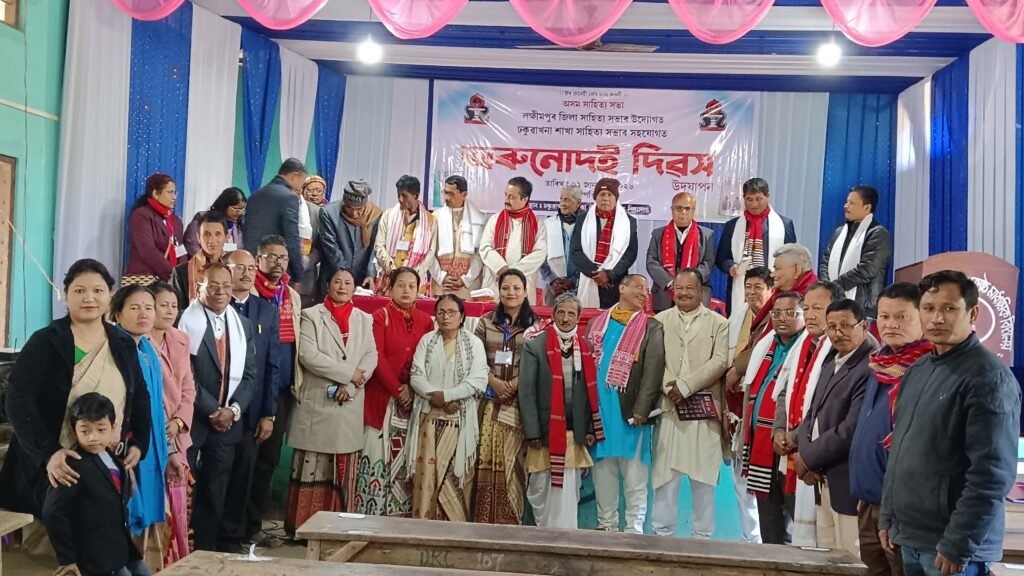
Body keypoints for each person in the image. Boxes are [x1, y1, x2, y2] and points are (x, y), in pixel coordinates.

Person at [880, 271, 1020, 576]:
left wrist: (959, 542)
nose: (937, 318)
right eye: (929, 308)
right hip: (911, 537)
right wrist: (889, 517)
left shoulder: (988, 377)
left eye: (949, 308)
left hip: (951, 548)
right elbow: (900, 450)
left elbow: (991, 474)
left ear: (972, 313)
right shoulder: (918, 370)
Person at [0, 259, 152, 516]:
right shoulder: (46, 341)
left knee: (99, 531)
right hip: (50, 464)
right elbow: (17, 400)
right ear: (66, 295)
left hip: (104, 462)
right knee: (49, 532)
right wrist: (49, 454)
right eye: (79, 290)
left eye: (98, 290)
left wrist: (139, 443)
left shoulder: (122, 343)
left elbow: (140, 396)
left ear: (110, 295)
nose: (89, 298)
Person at [286, 268, 378, 533]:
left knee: (342, 471)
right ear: (327, 285)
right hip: (318, 404)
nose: (342, 286)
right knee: (312, 466)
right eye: (337, 281)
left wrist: (350, 385)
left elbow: (371, 355)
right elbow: (308, 355)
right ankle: (303, 528)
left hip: (349, 402)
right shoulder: (311, 315)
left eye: (348, 282)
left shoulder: (364, 319)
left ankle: (336, 530)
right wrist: (349, 374)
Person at [851, 283, 932, 576]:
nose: (890, 324)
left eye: (902, 316)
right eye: (884, 317)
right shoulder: (880, 364)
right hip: (869, 499)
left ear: (924, 317)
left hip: (903, 508)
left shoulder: (928, 368)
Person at [177, 263, 257, 551]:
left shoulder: (243, 325)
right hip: (194, 421)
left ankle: (207, 552)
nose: (221, 291)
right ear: (200, 286)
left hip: (228, 425)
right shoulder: (184, 322)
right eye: (213, 285)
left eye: (226, 286)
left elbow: (250, 375)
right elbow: (185, 375)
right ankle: (180, 551)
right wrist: (213, 410)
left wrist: (233, 411)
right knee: (185, 491)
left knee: (215, 492)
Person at [790, 299, 877, 558]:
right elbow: (812, 413)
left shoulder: (871, 365)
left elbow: (851, 429)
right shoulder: (832, 359)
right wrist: (805, 454)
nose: (838, 333)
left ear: (864, 326)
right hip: (822, 477)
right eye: (832, 327)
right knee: (827, 558)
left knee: (850, 558)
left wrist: (807, 457)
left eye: (846, 326)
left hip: (848, 482)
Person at [649, 269, 729, 538]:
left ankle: (702, 543)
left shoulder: (719, 323)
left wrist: (686, 386)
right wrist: (668, 386)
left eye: (689, 288)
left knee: (703, 481)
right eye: (679, 288)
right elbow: (653, 361)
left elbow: (720, 361)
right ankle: (661, 540)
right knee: (665, 481)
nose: (683, 293)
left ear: (701, 291)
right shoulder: (659, 321)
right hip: (669, 410)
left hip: (703, 414)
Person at [586, 274, 664, 534]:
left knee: (635, 476)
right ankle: (606, 526)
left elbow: (653, 370)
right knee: (603, 472)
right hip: (600, 411)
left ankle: (634, 530)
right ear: (622, 288)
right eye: (639, 287)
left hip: (631, 413)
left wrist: (643, 408)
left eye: (647, 290)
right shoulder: (597, 324)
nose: (644, 293)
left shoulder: (651, 326)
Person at [42, 393, 152, 576]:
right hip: (96, 560)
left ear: (112, 428)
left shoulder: (115, 459)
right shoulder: (73, 466)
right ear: (74, 431)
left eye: (101, 429)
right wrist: (67, 558)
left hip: (121, 550)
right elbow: (52, 511)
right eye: (85, 431)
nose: (93, 438)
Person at [355, 267, 434, 516]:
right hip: (383, 397)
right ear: (390, 288)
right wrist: (398, 390)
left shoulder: (426, 321)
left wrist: (413, 387)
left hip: (414, 399)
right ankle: (371, 516)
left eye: (412, 286)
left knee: (407, 457)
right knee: (377, 454)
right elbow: (376, 356)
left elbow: (428, 359)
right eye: (401, 285)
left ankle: (401, 517)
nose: (406, 290)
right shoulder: (380, 317)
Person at [519, 293, 602, 529]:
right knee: (540, 488)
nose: (566, 319)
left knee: (568, 493)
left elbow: (590, 394)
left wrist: (589, 429)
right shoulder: (535, 346)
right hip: (544, 433)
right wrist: (532, 432)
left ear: (578, 317)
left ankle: (565, 540)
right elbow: (527, 392)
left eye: (571, 314)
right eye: (561, 313)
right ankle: (544, 539)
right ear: (553, 314)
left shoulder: (585, 348)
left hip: (573, 434)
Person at [770, 280, 843, 546]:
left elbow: (827, 408)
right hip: (795, 449)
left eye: (818, 308)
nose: (810, 315)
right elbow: (783, 390)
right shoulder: (803, 344)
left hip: (823, 456)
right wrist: (779, 430)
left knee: (827, 542)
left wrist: (794, 436)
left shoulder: (838, 349)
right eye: (808, 308)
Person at [108, 285, 173, 568]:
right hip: (125, 446)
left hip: (149, 445)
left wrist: (169, 449)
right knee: (125, 512)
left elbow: (155, 406)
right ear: (117, 314)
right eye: (134, 308)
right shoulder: (113, 349)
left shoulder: (146, 349)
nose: (143, 314)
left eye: (149, 307)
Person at [407, 295, 489, 521]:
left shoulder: (474, 344)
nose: (446, 317)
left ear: (462, 316)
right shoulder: (427, 341)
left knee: (454, 482)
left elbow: (478, 380)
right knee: (426, 479)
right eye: (441, 312)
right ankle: (423, 530)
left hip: (459, 422)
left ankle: (454, 532)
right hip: (428, 420)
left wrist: (446, 396)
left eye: (452, 312)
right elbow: (416, 376)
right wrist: (438, 399)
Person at [220, 250, 281, 552]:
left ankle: (238, 534)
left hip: (252, 410)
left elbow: (272, 364)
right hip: (218, 408)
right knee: (217, 476)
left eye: (250, 268)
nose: (246, 273)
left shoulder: (266, 310)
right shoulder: (215, 307)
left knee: (245, 474)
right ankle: (211, 535)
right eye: (239, 268)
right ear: (226, 270)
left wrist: (269, 413)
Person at [248, 235, 303, 545]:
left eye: (283, 257)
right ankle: (234, 527)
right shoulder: (249, 292)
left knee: (268, 460)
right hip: (250, 391)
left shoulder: (290, 296)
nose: (279, 262)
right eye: (272, 256)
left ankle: (254, 525)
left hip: (280, 390)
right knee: (245, 459)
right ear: (258, 260)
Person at [739, 291, 805, 544]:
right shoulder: (767, 344)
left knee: (795, 523)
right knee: (769, 523)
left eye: (790, 313)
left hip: (789, 447)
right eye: (776, 313)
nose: (782, 318)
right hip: (761, 443)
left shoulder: (807, 348)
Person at [472, 269, 538, 525]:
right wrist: (495, 383)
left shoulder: (535, 326)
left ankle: (510, 524)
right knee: (485, 460)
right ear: (499, 291)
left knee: (513, 464)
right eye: (505, 288)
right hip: (489, 403)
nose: (511, 292)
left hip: (520, 406)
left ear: (525, 292)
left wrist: (512, 385)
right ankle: (484, 522)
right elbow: (476, 358)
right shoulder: (485, 322)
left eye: (516, 288)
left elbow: (536, 363)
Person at [147, 282, 196, 565]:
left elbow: (188, 387)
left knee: (178, 506)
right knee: (157, 507)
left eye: (173, 306)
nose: (169, 311)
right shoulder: (138, 342)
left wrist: (179, 422)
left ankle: (177, 562)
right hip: (151, 436)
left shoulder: (180, 339)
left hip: (177, 432)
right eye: (162, 305)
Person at [724, 266, 772, 545]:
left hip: (761, 405)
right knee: (739, 474)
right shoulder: (739, 315)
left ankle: (764, 539)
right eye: (748, 287)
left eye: (758, 288)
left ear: (770, 290)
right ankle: (749, 537)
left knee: (760, 477)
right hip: (736, 405)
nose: (752, 293)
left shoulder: (776, 319)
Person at [715, 178, 797, 313]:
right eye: (749, 199)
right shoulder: (732, 226)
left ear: (767, 196)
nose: (754, 204)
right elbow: (721, 258)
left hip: (773, 287)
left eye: (758, 199)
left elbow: (792, 260)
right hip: (741, 289)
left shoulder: (784, 225)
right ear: (743, 198)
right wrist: (731, 267)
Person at [819, 185, 893, 318]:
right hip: (833, 303)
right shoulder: (839, 232)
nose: (846, 206)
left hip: (863, 307)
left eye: (851, 203)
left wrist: (834, 287)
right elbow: (825, 262)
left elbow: (867, 269)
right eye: (846, 202)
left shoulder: (878, 234)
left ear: (867, 207)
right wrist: (827, 286)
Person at [570, 178, 639, 310]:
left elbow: (630, 253)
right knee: (589, 319)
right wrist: (596, 274)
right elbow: (575, 251)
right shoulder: (582, 220)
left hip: (615, 282)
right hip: (590, 279)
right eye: (602, 194)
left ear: (616, 198)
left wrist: (609, 275)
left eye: (610, 195)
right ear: (595, 197)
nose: (605, 198)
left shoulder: (629, 222)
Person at [480, 177, 548, 304]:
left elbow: (540, 253)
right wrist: (501, 268)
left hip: (523, 282)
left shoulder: (537, 224)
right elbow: (485, 248)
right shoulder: (495, 219)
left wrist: (513, 273)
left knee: (521, 316)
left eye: (511, 197)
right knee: (494, 315)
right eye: (506, 195)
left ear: (525, 199)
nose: (506, 200)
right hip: (496, 282)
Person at [646, 192, 716, 312]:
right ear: (672, 210)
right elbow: (652, 262)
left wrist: (688, 284)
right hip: (664, 294)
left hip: (696, 293)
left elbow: (708, 264)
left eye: (687, 208)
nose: (683, 212)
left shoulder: (707, 235)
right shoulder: (658, 234)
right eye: (679, 208)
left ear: (693, 211)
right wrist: (670, 283)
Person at [242, 158, 308, 282]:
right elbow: (291, 237)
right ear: (295, 175)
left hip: (251, 265)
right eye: (302, 181)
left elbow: (245, 230)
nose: (301, 187)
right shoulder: (289, 197)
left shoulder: (254, 196)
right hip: (275, 268)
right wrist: (297, 274)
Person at [320, 180, 384, 290]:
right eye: (349, 207)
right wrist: (346, 278)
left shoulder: (375, 215)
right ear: (343, 203)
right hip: (335, 279)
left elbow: (375, 248)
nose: (354, 214)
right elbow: (331, 248)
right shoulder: (329, 213)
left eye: (359, 209)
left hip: (363, 280)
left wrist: (370, 273)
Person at [374, 175, 435, 292]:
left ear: (416, 195)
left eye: (404, 196)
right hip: (389, 279)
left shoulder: (430, 220)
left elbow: (431, 253)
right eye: (398, 195)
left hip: (416, 282)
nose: (400, 199)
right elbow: (379, 246)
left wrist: (413, 274)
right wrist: (392, 270)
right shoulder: (388, 215)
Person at [429, 175, 485, 299]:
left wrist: (466, 279)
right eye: (445, 192)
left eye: (451, 194)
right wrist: (441, 277)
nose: (446, 197)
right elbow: (429, 252)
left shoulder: (479, 219)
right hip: (442, 286)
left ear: (464, 194)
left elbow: (480, 254)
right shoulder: (435, 217)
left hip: (467, 288)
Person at [124, 173, 185, 284]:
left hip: (170, 280)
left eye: (175, 192)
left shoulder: (176, 221)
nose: (174, 197)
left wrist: (183, 273)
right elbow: (148, 251)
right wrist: (172, 272)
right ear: (156, 194)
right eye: (170, 192)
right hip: (145, 278)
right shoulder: (141, 215)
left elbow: (180, 249)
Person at [171, 211, 229, 312]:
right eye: (207, 234)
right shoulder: (181, 272)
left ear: (226, 237)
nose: (212, 240)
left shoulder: (233, 268)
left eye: (217, 234)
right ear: (198, 238)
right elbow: (177, 309)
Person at [540, 185, 584, 305]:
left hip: (579, 287)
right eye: (561, 199)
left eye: (567, 199)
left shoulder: (587, 224)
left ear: (578, 203)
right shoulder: (548, 224)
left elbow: (590, 257)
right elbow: (540, 255)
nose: (563, 203)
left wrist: (573, 281)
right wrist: (552, 280)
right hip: (553, 288)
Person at [183, 187, 246, 258]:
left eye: (242, 209)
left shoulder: (239, 225)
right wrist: (213, 262)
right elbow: (192, 246)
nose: (239, 213)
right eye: (235, 209)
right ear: (224, 205)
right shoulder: (202, 219)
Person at [296, 176, 323, 309]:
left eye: (318, 191)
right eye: (311, 190)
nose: (314, 194)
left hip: (307, 274)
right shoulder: (291, 206)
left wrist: (306, 261)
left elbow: (320, 246)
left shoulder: (319, 212)